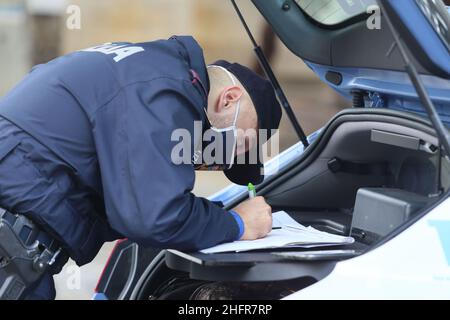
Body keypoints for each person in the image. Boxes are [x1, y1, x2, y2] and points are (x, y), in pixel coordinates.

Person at [0, 36, 281, 299]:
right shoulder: (164, 91)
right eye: (239, 145)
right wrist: (238, 224)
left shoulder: (148, 69)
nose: (224, 159)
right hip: (10, 244)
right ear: (229, 98)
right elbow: (156, 217)